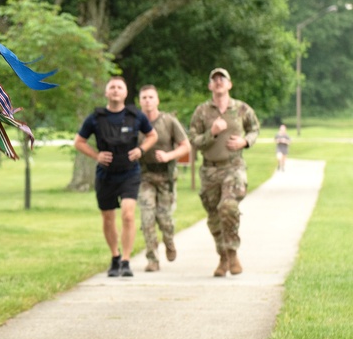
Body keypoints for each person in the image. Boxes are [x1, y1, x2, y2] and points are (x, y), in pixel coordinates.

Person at [75, 76, 157, 278]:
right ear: (106, 92)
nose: (115, 90)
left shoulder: (135, 115)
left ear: (126, 92)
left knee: (128, 215)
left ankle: (126, 261)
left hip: (130, 172)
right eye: (112, 87)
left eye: (120, 87)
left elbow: (152, 135)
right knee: (108, 217)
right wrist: (96, 155)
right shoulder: (96, 117)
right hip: (105, 175)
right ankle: (115, 256)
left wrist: (141, 149)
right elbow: (79, 142)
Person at [188, 68, 260, 277]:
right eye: (214, 79)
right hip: (209, 169)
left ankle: (232, 251)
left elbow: (254, 129)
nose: (218, 82)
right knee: (213, 217)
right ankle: (223, 256)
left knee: (228, 206)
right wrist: (212, 133)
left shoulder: (241, 109)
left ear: (229, 84)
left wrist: (245, 141)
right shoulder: (201, 112)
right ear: (210, 86)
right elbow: (193, 141)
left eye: (222, 79)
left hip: (233, 166)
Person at [136, 85, 191, 272]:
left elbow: (185, 146)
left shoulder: (168, 121)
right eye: (144, 97)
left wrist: (169, 156)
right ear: (139, 101)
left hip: (165, 176)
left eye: (151, 97)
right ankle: (152, 258)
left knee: (164, 218)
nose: (147, 101)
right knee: (147, 217)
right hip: (144, 176)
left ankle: (169, 240)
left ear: (157, 100)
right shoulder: (135, 122)